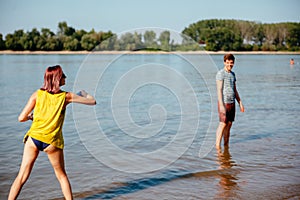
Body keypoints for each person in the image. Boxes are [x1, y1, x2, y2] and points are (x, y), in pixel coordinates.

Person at [8, 65, 96, 200]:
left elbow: (21, 118)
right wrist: (83, 93)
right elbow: (92, 101)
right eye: (63, 75)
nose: (65, 77)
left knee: (21, 177)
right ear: (57, 78)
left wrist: (32, 117)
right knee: (61, 176)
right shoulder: (66, 97)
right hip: (52, 142)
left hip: (33, 139)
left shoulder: (37, 94)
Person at [215, 54, 244, 149]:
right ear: (224, 62)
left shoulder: (233, 74)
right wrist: (221, 105)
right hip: (224, 102)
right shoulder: (220, 73)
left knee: (229, 124)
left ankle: (226, 146)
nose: (229, 65)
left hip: (232, 103)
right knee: (223, 124)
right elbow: (219, 90)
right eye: (228, 63)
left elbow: (234, 90)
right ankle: (218, 147)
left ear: (233, 63)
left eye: (231, 63)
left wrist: (240, 102)